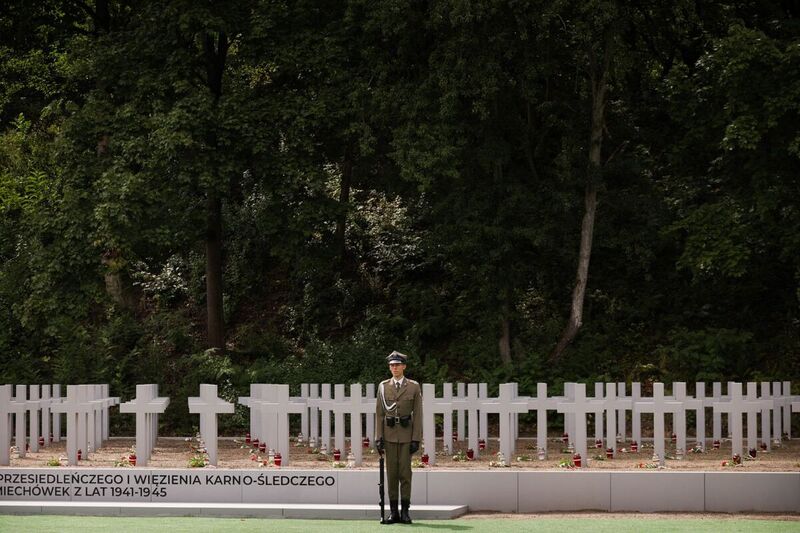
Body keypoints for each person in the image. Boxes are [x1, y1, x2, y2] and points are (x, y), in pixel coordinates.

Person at [375, 350, 423, 524]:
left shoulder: (413, 386)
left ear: (404, 366)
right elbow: (379, 414)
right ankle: (393, 512)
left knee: (405, 474)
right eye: (391, 365)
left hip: (406, 435)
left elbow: (418, 414)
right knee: (391, 474)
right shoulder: (383, 386)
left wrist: (416, 438)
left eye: (397, 365)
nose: (394, 368)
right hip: (388, 436)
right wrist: (378, 437)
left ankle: (405, 512)